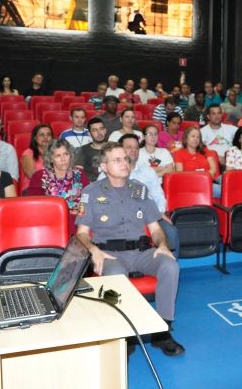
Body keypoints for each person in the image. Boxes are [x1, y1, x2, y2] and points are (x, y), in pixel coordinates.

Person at [75, 144, 184, 356]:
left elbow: (155, 228)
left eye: (125, 159)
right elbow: (81, 233)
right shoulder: (91, 192)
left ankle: (162, 331)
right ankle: (123, 334)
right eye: (117, 160)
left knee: (170, 265)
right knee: (116, 274)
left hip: (142, 252)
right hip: (110, 255)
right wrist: (93, 250)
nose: (124, 163)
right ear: (104, 166)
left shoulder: (139, 189)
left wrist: (161, 244)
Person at [24, 138, 89, 235]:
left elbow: (87, 199)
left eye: (66, 154)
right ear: (50, 158)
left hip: (78, 222)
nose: (63, 159)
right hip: (50, 223)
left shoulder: (79, 174)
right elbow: (33, 206)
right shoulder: (40, 176)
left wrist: (80, 218)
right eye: (58, 156)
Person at [98, 134, 168, 216]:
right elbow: (101, 203)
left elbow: (159, 197)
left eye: (136, 147)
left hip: (150, 215)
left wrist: (159, 213)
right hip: (119, 218)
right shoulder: (106, 175)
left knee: (171, 229)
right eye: (129, 147)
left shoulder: (149, 172)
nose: (133, 150)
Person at [20, 124, 53, 192]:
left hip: (53, 189)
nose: (45, 137)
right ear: (35, 138)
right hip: (33, 188)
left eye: (48, 134)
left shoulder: (56, 153)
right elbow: (31, 175)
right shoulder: (28, 153)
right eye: (42, 135)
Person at [74, 117, 107, 182]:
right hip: (91, 186)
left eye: (101, 129)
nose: (99, 132)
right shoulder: (83, 150)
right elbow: (77, 172)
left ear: (105, 131)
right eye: (94, 130)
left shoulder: (114, 148)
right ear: (89, 134)